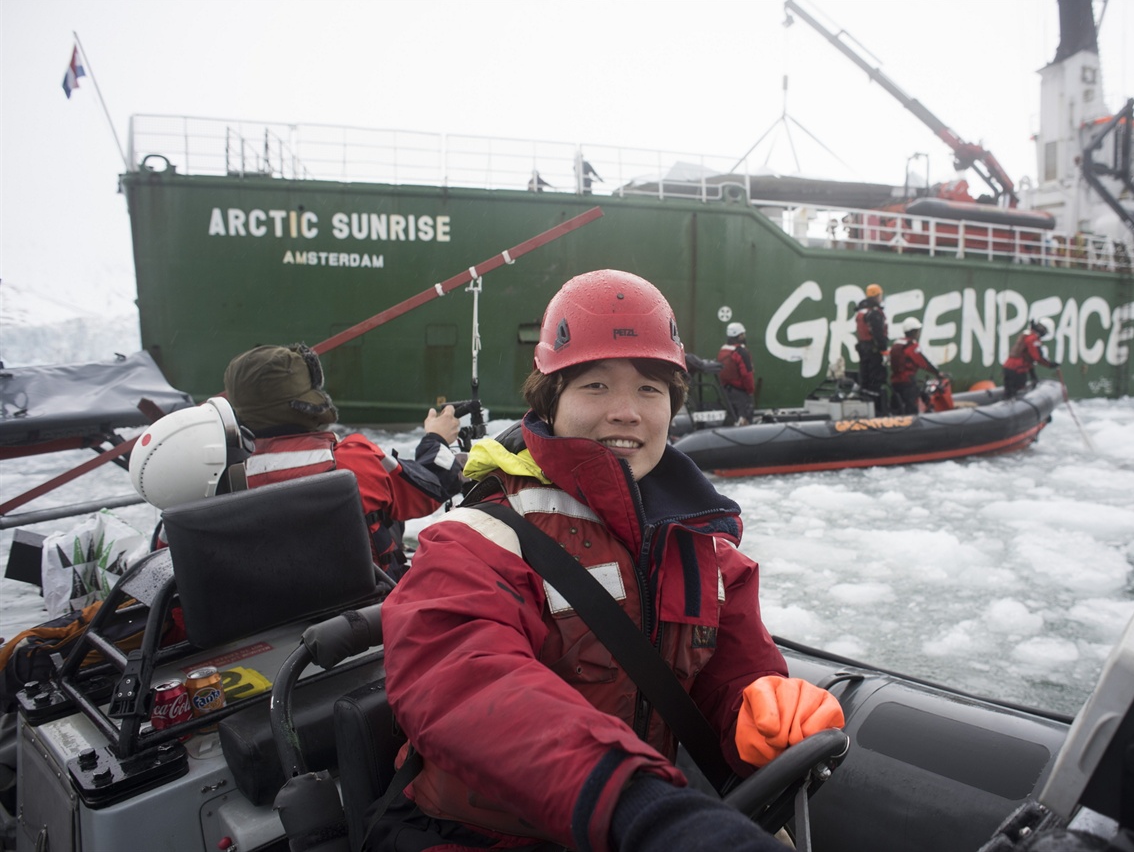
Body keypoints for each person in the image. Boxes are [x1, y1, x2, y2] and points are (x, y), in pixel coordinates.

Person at [378, 269, 845, 852]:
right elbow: (461, 683)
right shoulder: (479, 540)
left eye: (651, 389)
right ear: (551, 401)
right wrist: (634, 801)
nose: (627, 411)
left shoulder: (707, 551)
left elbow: (734, 677)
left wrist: (762, 710)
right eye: (595, 385)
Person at [223, 343, 467, 577]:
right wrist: (436, 438)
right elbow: (432, 488)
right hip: (361, 611)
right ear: (306, 406)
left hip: (266, 612)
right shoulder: (353, 460)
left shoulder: (221, 476)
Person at [889, 317, 940, 414]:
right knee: (911, 407)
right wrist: (937, 372)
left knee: (896, 407)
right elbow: (922, 362)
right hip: (907, 381)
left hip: (895, 381)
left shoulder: (897, 343)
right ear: (914, 332)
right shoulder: (912, 345)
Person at [854, 284, 890, 413]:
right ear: (877, 296)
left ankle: (866, 404)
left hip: (863, 349)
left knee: (865, 378)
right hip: (873, 351)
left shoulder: (861, 311)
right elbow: (878, 333)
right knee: (877, 379)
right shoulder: (874, 313)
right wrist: (884, 350)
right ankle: (877, 409)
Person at [1003, 320, 1059, 399]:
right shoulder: (1033, 339)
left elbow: (1026, 356)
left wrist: (1032, 372)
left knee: (1009, 393)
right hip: (1017, 370)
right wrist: (1049, 364)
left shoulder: (1026, 335)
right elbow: (1036, 357)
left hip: (1009, 367)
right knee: (1017, 393)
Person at [717, 322, 755, 426]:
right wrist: (750, 391)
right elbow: (747, 374)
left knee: (731, 417)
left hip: (726, 392)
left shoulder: (723, 350)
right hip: (740, 394)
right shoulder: (741, 352)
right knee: (744, 420)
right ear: (740, 335)